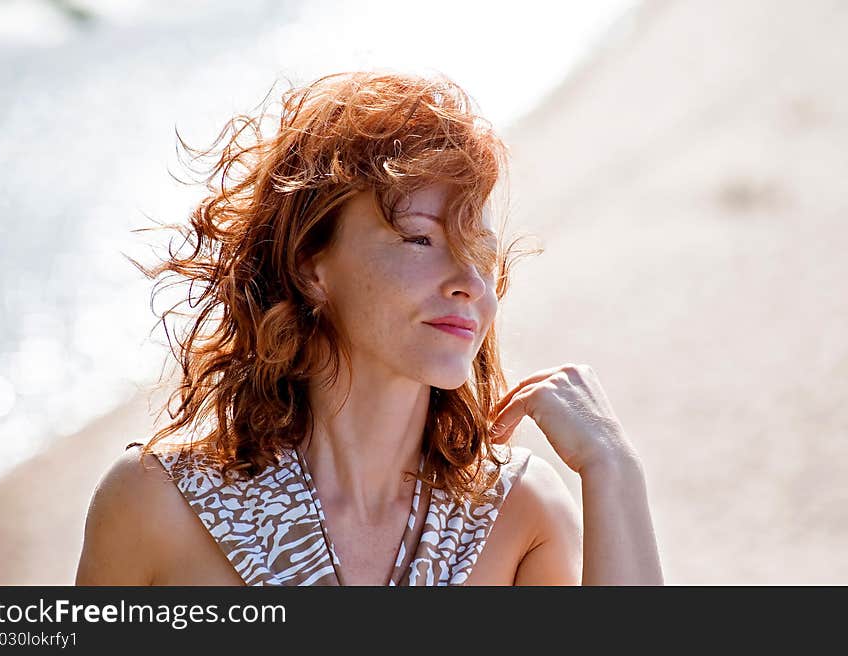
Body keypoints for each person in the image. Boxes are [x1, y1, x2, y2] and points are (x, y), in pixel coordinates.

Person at [75, 70, 664, 586]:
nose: (469, 283)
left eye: (478, 252)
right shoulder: (157, 503)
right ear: (311, 265)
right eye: (420, 239)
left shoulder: (518, 515)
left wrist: (613, 468)